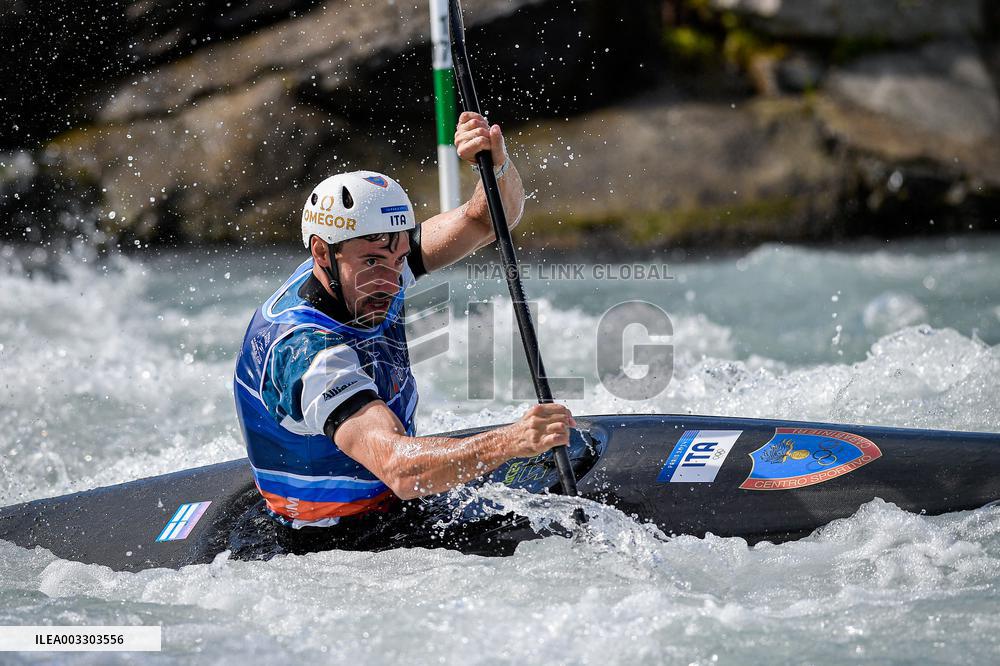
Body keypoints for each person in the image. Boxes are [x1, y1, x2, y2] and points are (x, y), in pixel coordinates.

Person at [233, 112, 575, 540]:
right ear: (322, 253)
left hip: (394, 505)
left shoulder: (362, 262)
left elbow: (486, 221)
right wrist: (511, 441)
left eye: (399, 260)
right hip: (336, 540)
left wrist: (494, 161)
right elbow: (400, 469)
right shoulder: (306, 354)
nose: (392, 281)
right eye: (374, 262)